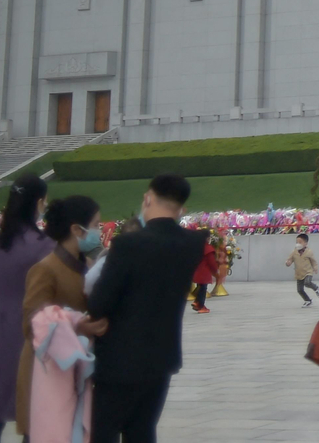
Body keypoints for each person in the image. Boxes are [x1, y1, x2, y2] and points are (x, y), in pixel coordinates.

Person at [87, 173, 207, 443]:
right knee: (142, 431)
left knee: (103, 431)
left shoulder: (127, 244)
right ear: (182, 207)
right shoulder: (192, 243)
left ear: (148, 198)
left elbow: (99, 304)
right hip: (162, 358)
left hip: (119, 359)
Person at [17, 196, 106, 440]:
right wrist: (77, 324)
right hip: (46, 372)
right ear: (77, 229)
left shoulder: (86, 266)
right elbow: (31, 322)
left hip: (72, 369)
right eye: (96, 225)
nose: (99, 231)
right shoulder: (46, 269)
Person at [0, 174, 52, 442]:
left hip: (1, 332)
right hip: (35, 336)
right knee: (33, 416)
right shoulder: (44, 246)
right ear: (39, 202)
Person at [287, 233, 319, 306]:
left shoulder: (309, 252)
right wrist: (288, 263)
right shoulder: (294, 252)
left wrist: (315, 267)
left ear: (306, 243)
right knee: (299, 290)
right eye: (297, 242)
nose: (298, 244)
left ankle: (316, 288)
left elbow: (313, 261)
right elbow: (290, 259)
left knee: (307, 282)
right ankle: (307, 300)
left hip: (308, 272)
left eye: (300, 242)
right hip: (299, 273)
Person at [190, 233, 219, 314]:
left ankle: (197, 302)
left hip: (197, 271)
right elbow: (211, 262)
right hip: (204, 272)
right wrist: (215, 271)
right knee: (203, 289)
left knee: (200, 287)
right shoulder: (208, 249)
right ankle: (201, 306)